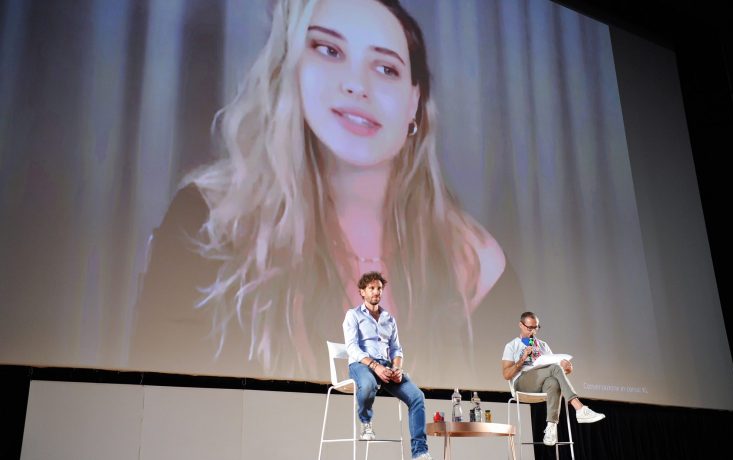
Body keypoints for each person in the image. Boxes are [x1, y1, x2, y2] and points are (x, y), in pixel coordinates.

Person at [130, 0, 505, 381]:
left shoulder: (477, 264)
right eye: (329, 50)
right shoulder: (209, 221)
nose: (357, 85)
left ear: (414, 102)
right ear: (291, 67)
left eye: (386, 68)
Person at [344, 271, 432, 460]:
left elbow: (396, 349)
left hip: (386, 367)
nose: (376, 292)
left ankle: (420, 452)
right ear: (362, 292)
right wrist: (375, 366)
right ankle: (366, 422)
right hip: (362, 365)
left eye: (379, 289)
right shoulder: (353, 315)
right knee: (367, 385)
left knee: (417, 397)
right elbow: (352, 348)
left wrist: (397, 368)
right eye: (371, 288)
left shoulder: (389, 319)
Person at [501, 311, 605, 446]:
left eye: (536, 327)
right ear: (520, 325)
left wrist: (567, 369)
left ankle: (551, 428)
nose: (533, 331)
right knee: (555, 369)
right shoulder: (512, 346)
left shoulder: (543, 345)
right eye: (529, 328)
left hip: (542, 383)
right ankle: (579, 409)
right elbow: (506, 375)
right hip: (522, 383)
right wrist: (522, 360)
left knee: (554, 381)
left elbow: (554, 371)